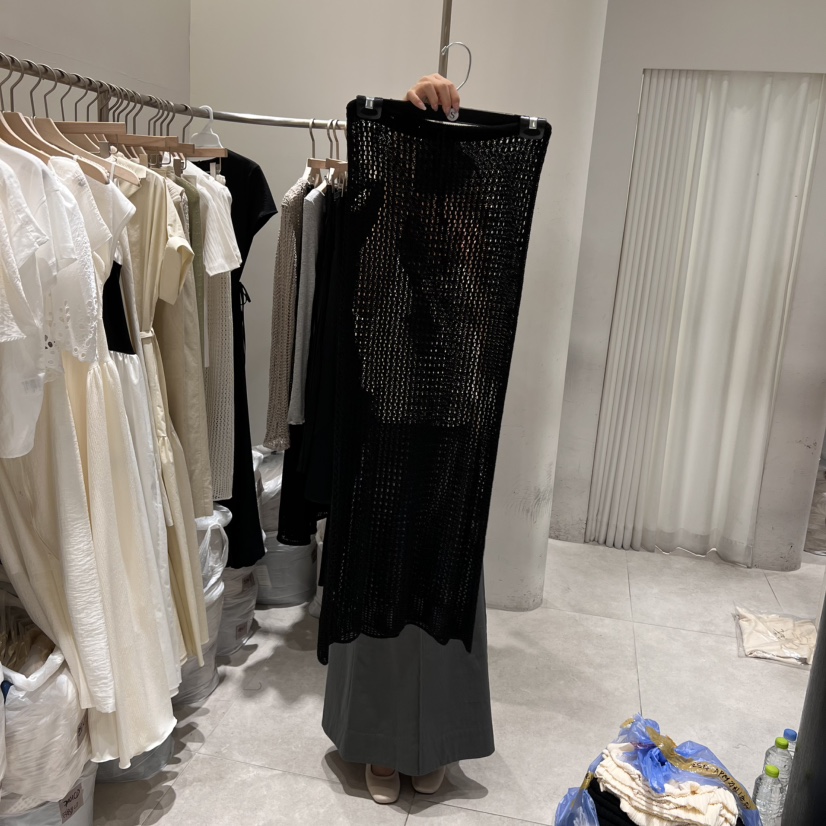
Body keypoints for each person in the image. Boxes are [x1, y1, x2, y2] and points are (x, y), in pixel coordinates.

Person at [321, 73, 495, 805]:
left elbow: (486, 314)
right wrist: (409, 109)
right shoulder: (379, 222)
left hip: (455, 421)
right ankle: (377, 739)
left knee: (444, 580)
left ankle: (437, 739)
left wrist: (457, 242)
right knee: (383, 578)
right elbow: (362, 297)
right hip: (387, 424)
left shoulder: (478, 230)